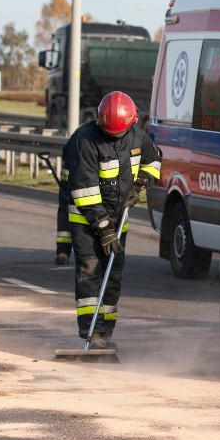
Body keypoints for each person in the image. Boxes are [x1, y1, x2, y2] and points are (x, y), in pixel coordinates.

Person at [64, 91, 161, 349]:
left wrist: (141, 182)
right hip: (86, 222)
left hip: (119, 222)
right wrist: (103, 227)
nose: (115, 137)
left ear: (132, 122)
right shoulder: (85, 141)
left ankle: (106, 333)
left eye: (120, 133)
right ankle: (91, 333)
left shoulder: (138, 137)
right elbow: (84, 190)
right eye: (110, 133)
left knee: (113, 276)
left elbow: (153, 162)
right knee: (90, 273)